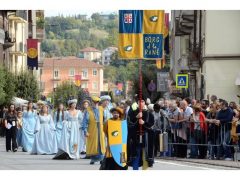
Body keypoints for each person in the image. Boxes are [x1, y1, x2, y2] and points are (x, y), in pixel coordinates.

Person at [127, 98, 155, 170]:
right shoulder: (131, 113)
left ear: (144, 103)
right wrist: (136, 118)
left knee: (145, 156)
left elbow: (151, 127)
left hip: (146, 138)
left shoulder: (149, 114)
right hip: (135, 138)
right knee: (136, 155)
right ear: (137, 102)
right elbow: (129, 125)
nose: (141, 103)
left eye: (142, 101)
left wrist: (144, 123)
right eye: (139, 101)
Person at [82, 96, 106, 165]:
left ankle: (101, 159)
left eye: (97, 102)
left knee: (101, 144)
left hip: (101, 130)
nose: (95, 104)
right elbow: (85, 122)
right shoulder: (88, 110)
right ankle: (93, 159)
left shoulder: (101, 109)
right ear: (92, 102)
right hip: (92, 130)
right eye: (94, 102)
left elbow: (105, 120)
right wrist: (85, 131)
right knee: (93, 145)